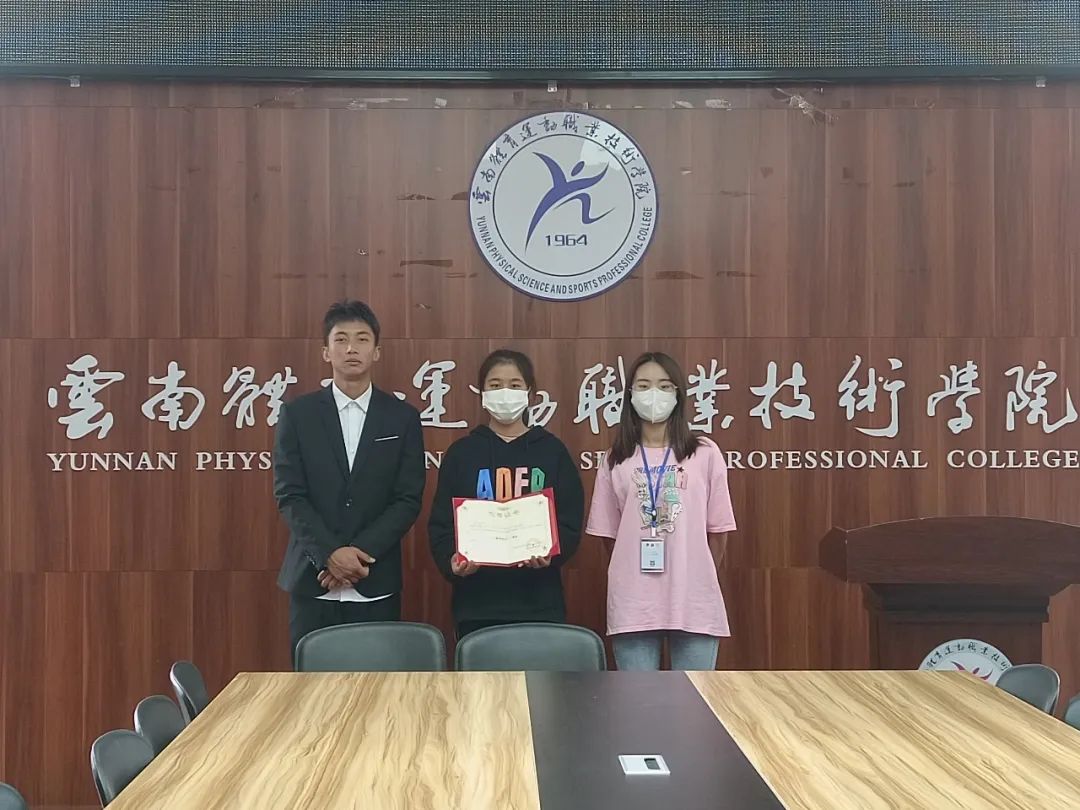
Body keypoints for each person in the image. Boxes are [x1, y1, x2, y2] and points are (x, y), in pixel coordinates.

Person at [274, 300, 425, 659]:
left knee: (377, 686)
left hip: (375, 581)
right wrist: (329, 554)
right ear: (326, 352)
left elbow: (407, 498)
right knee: (311, 687)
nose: (351, 348)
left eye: (362, 339)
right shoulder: (297, 414)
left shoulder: (402, 418)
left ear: (377, 351)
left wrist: (356, 557)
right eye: (341, 339)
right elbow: (290, 495)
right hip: (313, 582)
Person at [585, 351, 736, 671]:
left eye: (664, 386)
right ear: (630, 395)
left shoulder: (704, 453)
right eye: (643, 385)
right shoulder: (615, 458)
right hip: (634, 603)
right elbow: (609, 537)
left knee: (695, 697)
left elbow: (718, 530)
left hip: (694, 600)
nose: (653, 394)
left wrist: (695, 573)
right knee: (639, 698)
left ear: (678, 394)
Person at [428, 349, 585, 638]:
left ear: (530, 393)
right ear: (482, 393)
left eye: (514, 385)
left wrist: (552, 552)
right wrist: (453, 561)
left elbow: (570, 520)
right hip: (477, 606)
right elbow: (441, 524)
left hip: (540, 603)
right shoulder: (462, 453)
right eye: (495, 385)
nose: (505, 393)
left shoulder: (552, 452)